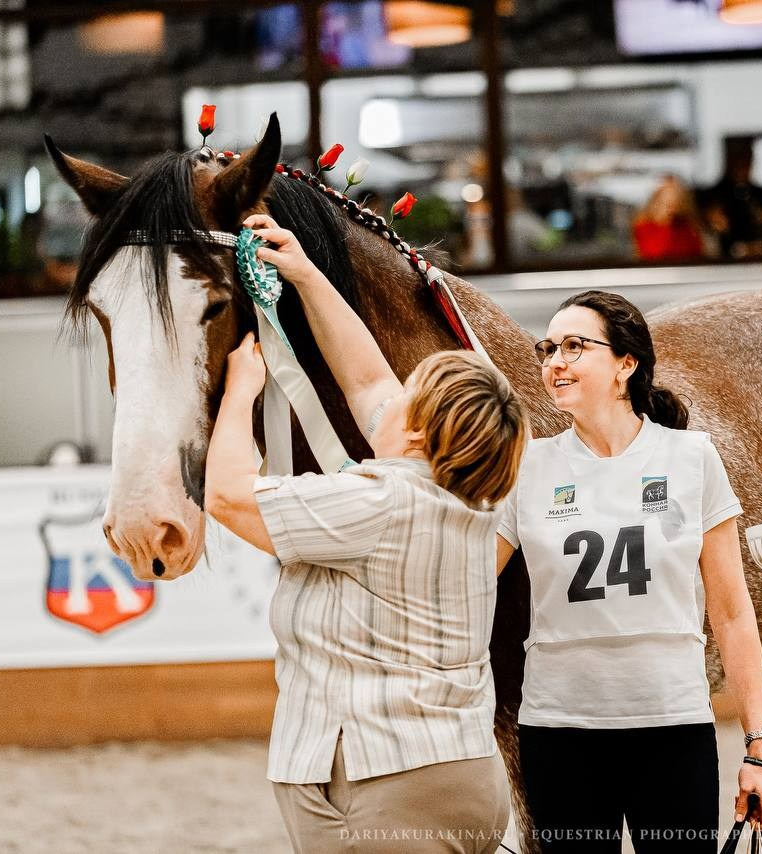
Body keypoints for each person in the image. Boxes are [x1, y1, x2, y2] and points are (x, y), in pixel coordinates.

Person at [205, 214, 528, 854]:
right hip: (465, 772)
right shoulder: (482, 496)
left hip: (379, 784)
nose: (391, 391)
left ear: (416, 431)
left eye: (407, 395)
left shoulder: (376, 501)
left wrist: (240, 392)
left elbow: (227, 496)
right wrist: (303, 271)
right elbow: (366, 380)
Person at [495, 290, 762, 853]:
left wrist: (756, 747)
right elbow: (467, 583)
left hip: (673, 727)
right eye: (548, 348)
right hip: (558, 732)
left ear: (626, 364)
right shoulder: (529, 464)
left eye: (575, 346)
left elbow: (732, 613)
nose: (555, 361)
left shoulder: (691, 456)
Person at [632, 175, 707, 262]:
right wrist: (664, 222)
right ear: (657, 198)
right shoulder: (644, 226)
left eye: (675, 194)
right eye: (667, 196)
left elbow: (696, 253)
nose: (672, 199)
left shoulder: (689, 227)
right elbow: (652, 253)